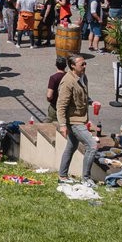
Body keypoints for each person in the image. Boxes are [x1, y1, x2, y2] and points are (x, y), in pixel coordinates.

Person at [56, 55, 97, 187]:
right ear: (73, 66)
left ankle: (62, 176)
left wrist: (91, 102)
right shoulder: (67, 82)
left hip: (81, 118)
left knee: (71, 146)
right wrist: (63, 125)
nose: (85, 66)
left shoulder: (83, 77)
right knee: (92, 146)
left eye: (85, 64)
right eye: (82, 65)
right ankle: (86, 178)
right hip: (73, 121)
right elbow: (61, 105)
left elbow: (83, 95)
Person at [46, 55, 68, 123]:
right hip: (66, 107)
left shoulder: (54, 78)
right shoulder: (69, 76)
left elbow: (49, 95)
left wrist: (49, 99)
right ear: (65, 66)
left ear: (56, 64)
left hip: (55, 107)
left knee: (50, 127)